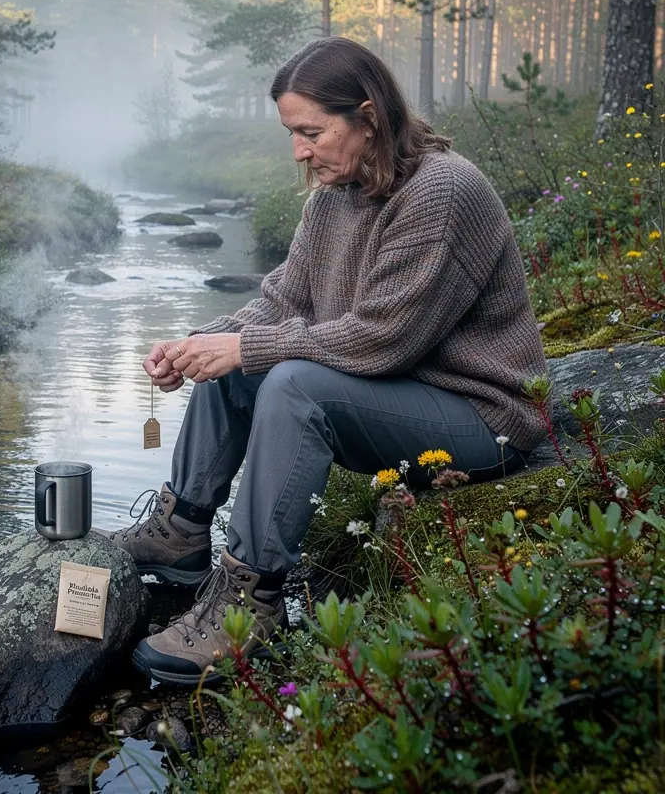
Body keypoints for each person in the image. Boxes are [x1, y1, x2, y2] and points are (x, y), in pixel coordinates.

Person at [112, 37, 548, 687]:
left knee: (291, 384)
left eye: (310, 131)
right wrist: (200, 344)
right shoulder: (333, 196)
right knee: (238, 361)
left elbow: (383, 339)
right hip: (395, 399)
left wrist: (246, 348)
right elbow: (282, 302)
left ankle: (247, 604)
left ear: (368, 117)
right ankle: (180, 532)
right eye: (292, 133)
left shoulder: (441, 192)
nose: (299, 151)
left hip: (481, 416)